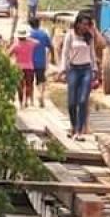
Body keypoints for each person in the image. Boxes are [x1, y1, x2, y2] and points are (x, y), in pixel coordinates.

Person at [59, 13, 98, 141]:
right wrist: (63, 69)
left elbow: (92, 54)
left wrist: (95, 70)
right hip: (73, 70)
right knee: (71, 102)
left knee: (82, 101)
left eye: (88, 24)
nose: (86, 27)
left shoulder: (89, 37)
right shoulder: (70, 35)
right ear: (78, 23)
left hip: (86, 69)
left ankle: (80, 131)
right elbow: (65, 53)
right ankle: (73, 126)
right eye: (84, 24)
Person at [8, 26, 38, 108]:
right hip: (29, 67)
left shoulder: (16, 45)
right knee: (28, 85)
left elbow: (8, 54)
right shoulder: (31, 43)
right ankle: (26, 101)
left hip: (18, 67)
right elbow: (37, 42)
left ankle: (21, 103)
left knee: (20, 86)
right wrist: (29, 39)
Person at [28, 17, 53, 107]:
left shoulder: (28, 35)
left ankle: (30, 101)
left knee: (29, 82)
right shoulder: (44, 34)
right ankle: (41, 95)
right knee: (41, 80)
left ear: (30, 25)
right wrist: (52, 57)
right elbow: (50, 46)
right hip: (41, 61)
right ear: (39, 24)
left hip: (29, 62)